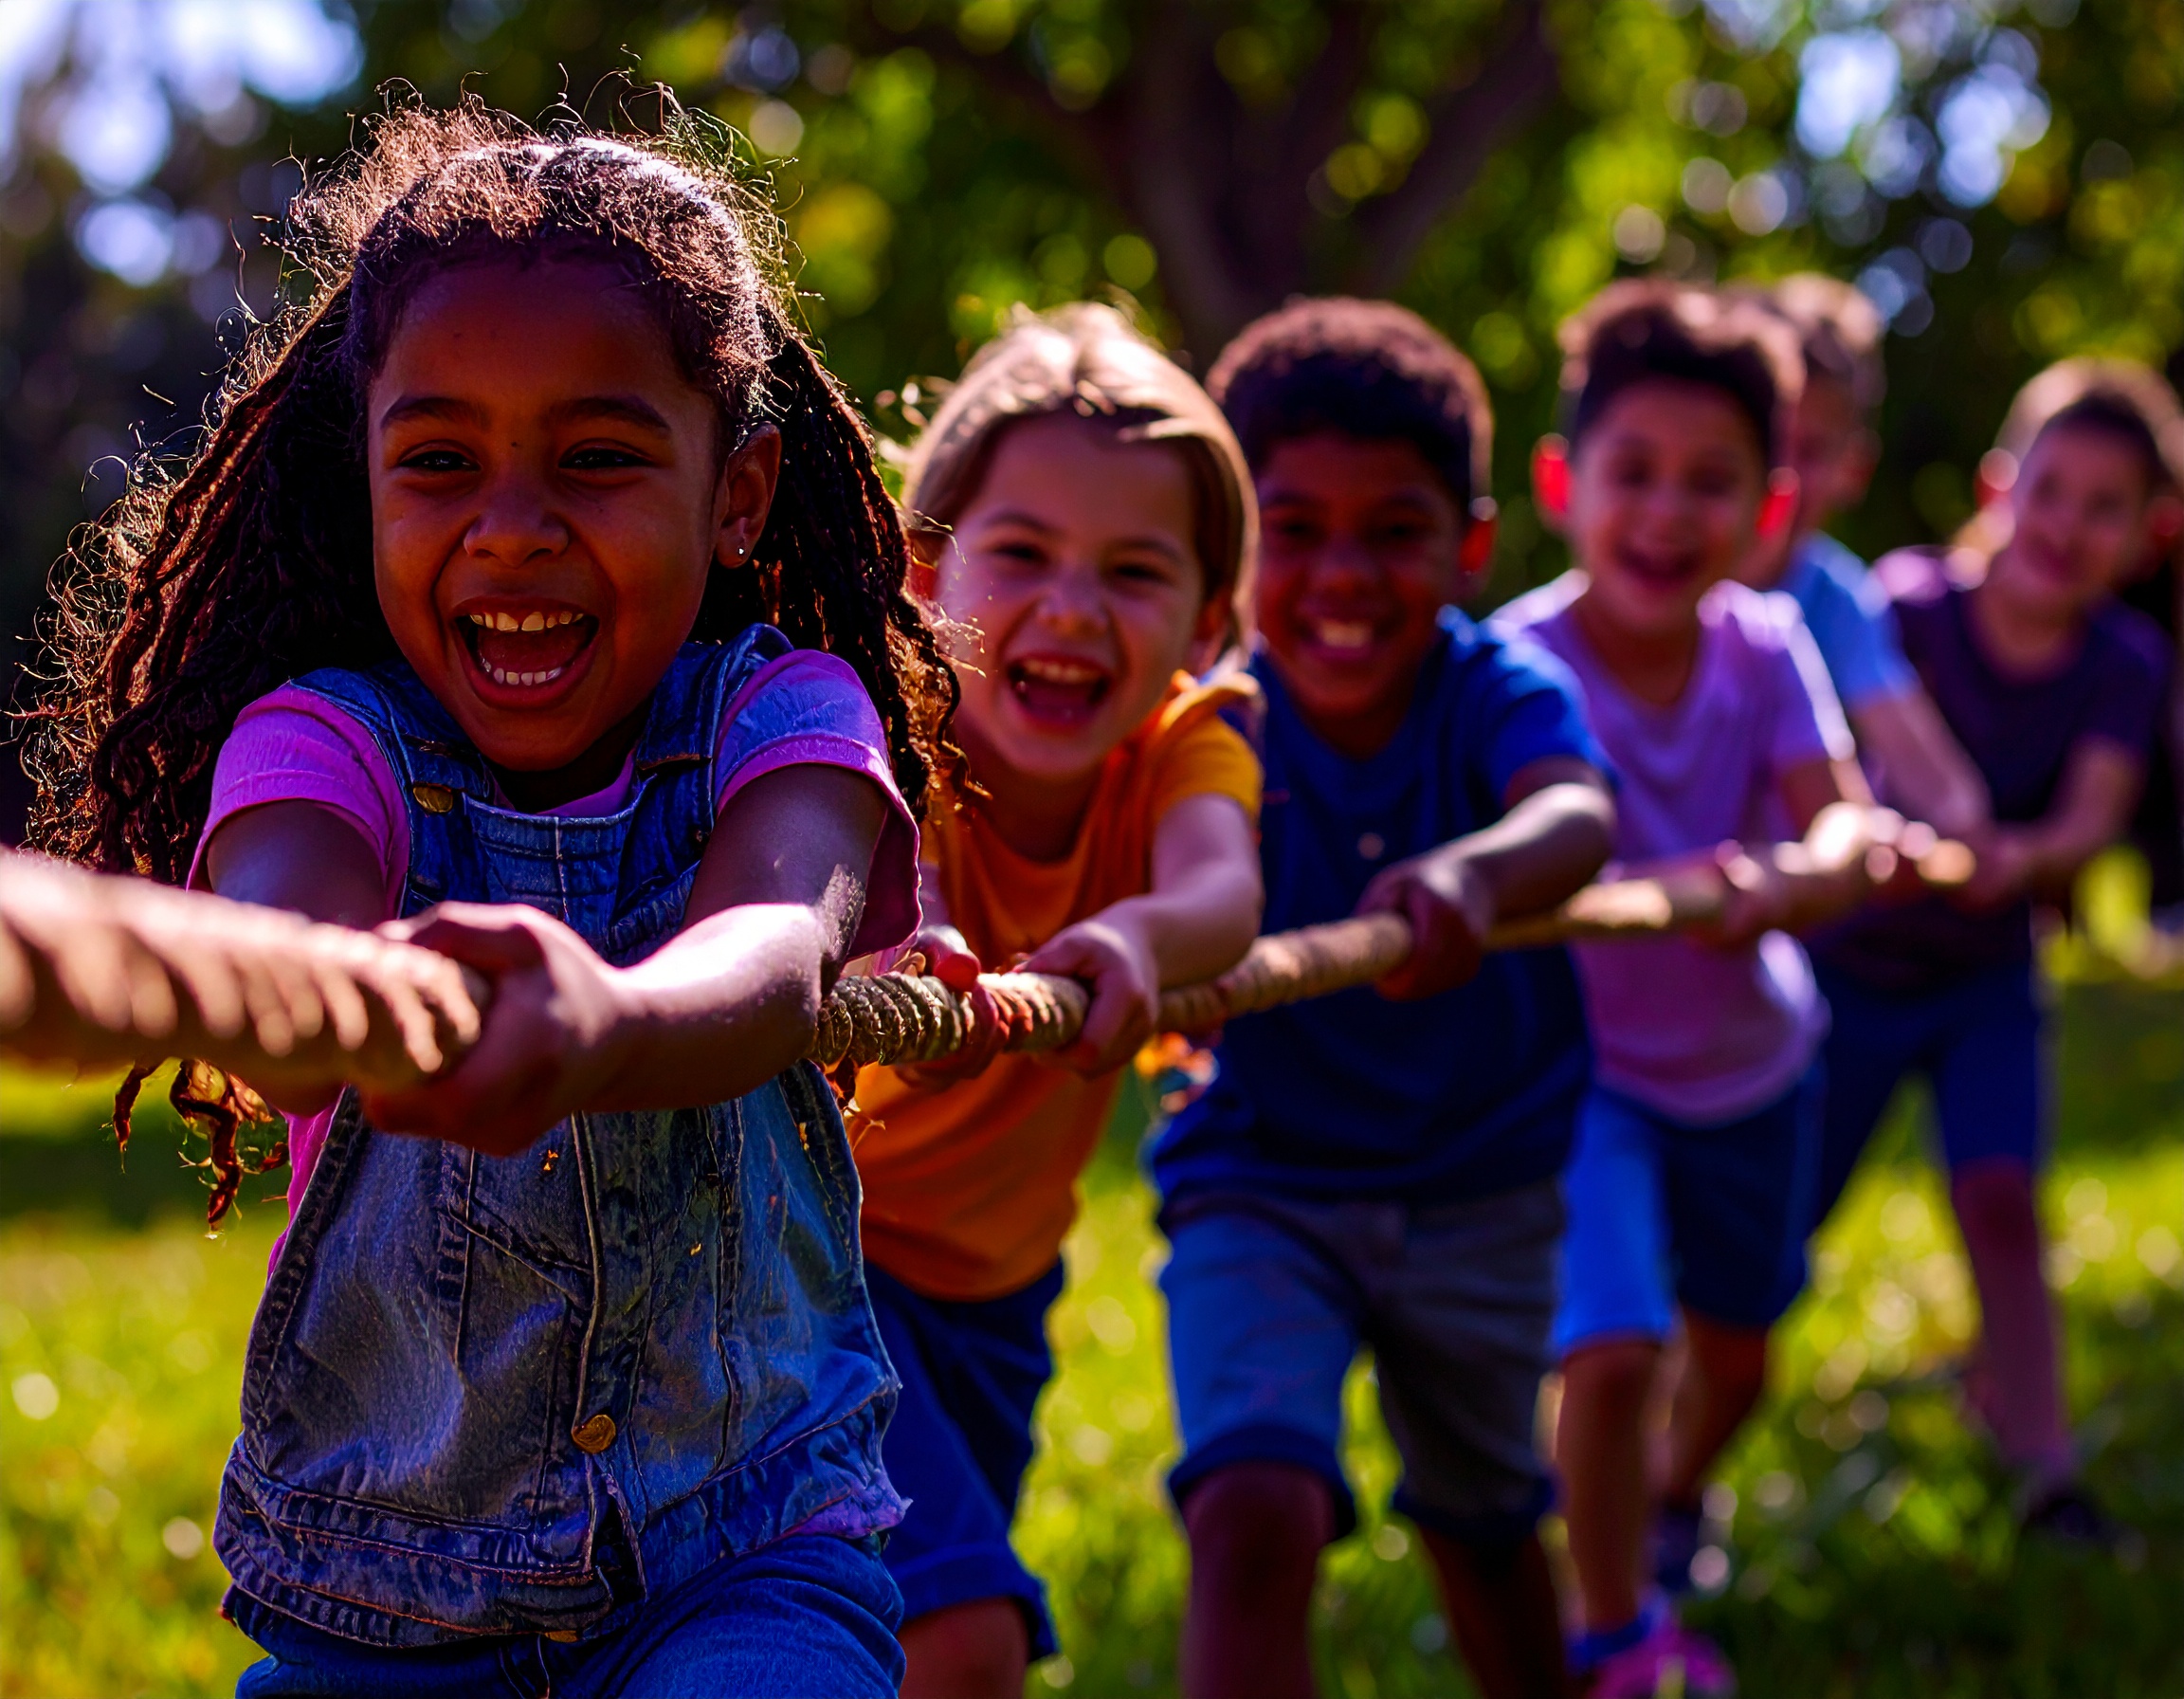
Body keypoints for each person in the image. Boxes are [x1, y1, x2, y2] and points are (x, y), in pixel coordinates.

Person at [27, 106, 961, 1698]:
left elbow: (775, 939)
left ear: (735, 497)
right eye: (440, 460)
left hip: (738, 1546)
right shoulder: (321, 743)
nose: (511, 525)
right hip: (376, 1590)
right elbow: (289, 967)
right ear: (368, 476)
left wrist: (608, 1016)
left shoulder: (782, 715)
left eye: (596, 457)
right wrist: (315, 997)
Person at [1143, 298, 1617, 1699]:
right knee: (1250, 1512)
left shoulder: (1491, 690)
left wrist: (1476, 874)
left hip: (1482, 1178)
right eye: (1294, 530)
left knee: (1483, 1523)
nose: (1343, 574)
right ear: (1234, 540)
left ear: (1470, 543)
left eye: (1395, 532)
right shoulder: (1203, 716)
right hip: (1261, 1181)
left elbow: (1577, 811)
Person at [846, 303, 1266, 1699]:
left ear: (1207, 620)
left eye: (1136, 572)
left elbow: (1221, 893)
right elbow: (862, 860)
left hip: (996, 1296)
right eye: (1021, 554)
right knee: (956, 1638)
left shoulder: (1186, 748)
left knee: (876, 1642)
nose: (1074, 608)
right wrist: (920, 940)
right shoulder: (870, 723)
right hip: (804, 1265)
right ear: (923, 570)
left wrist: (1142, 937)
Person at [1492, 282, 1886, 1698]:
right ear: (1563, 484)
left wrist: (1795, 876)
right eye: (1634, 474)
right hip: (1591, 1081)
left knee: (1737, 1356)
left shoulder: (1766, 650)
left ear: (1770, 508)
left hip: (1753, 1072)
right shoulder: (1522, 666)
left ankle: (1665, 1498)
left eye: (1710, 482)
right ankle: (1611, 1631)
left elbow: (1843, 821)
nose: (1667, 513)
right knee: (1611, 1345)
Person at [1808, 359, 2181, 1537]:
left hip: (1983, 983)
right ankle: (1673, 1451)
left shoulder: (2124, 662)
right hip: (1847, 973)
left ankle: (2045, 1466)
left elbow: (2089, 817)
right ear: (1998, 484)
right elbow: (1833, 763)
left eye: (2105, 505)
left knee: (2003, 1195)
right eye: (2052, 489)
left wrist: (2023, 862)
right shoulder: (1903, 610)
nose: (2070, 525)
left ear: (2150, 532)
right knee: (1778, 1215)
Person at [1734, 274, 1990, 836]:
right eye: (1766, 439)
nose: (1784, 474)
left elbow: (1939, 783)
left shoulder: (1839, 601)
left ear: (1855, 469)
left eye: (1811, 450)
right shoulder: (1659, 579)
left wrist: (1954, 832)